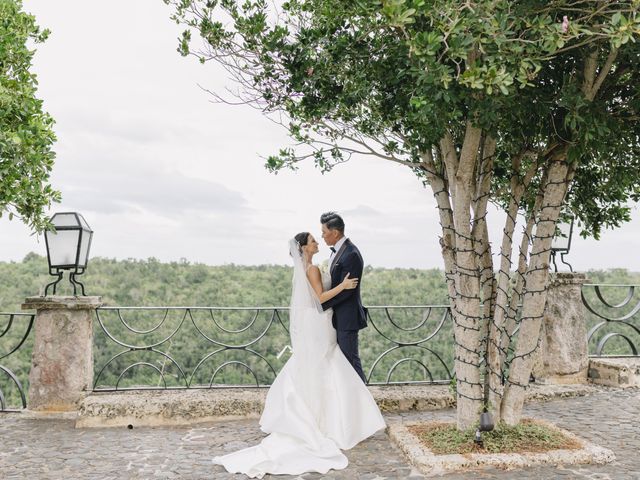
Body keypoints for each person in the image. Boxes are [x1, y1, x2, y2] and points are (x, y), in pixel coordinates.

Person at [212, 232, 385, 478]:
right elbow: (321, 298)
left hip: (315, 321)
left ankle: (322, 417)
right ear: (304, 248)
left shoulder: (310, 267)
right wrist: (343, 286)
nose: (317, 243)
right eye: (313, 241)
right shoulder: (312, 270)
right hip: (318, 321)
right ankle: (329, 421)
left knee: (321, 365)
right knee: (328, 363)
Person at [320, 211, 367, 382]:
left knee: (351, 361)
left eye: (324, 232)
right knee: (341, 363)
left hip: (347, 318)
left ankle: (364, 403)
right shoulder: (337, 252)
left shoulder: (351, 254)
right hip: (337, 317)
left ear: (335, 232)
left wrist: (321, 303)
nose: (322, 236)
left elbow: (348, 291)